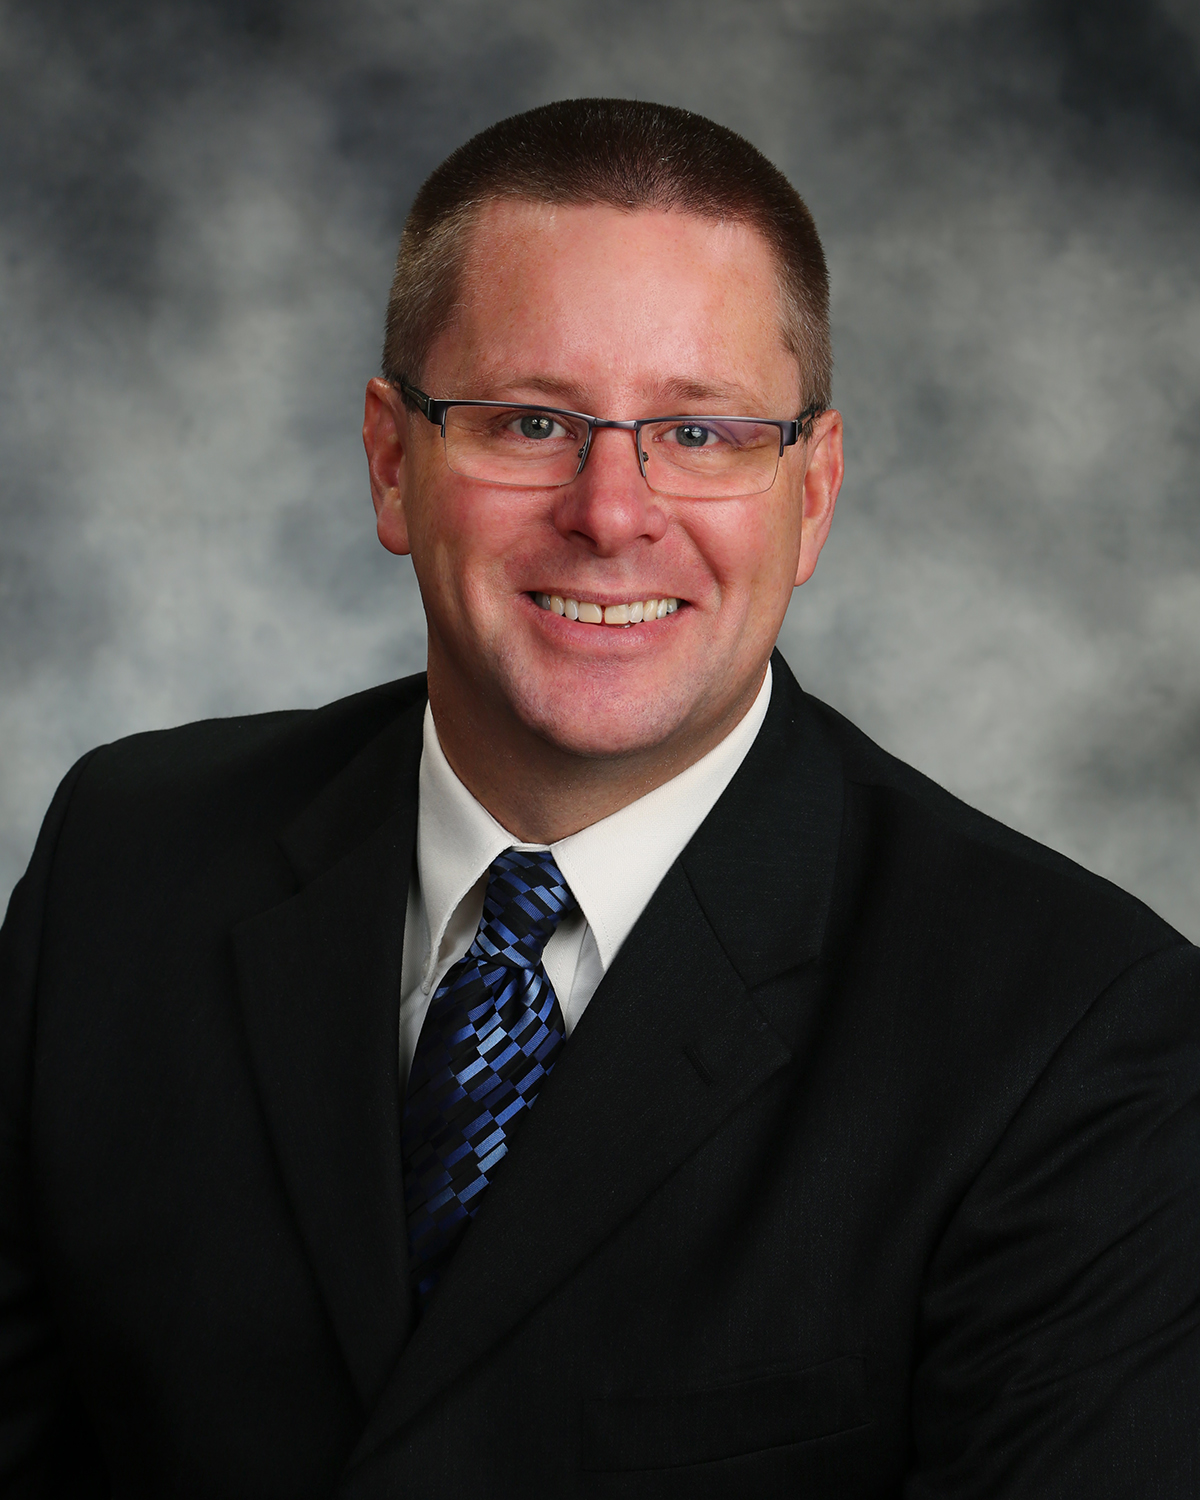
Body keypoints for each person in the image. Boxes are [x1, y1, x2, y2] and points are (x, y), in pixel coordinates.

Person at [0, 98, 1196, 1499]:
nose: (612, 512)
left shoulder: (1075, 1035)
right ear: (391, 463)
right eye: (529, 421)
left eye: (703, 434)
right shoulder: (127, 861)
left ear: (812, 492)